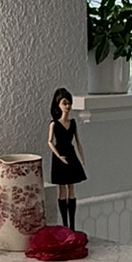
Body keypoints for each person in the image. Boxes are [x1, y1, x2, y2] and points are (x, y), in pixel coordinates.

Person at [47, 88, 86, 231]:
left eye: (69, 103)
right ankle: (65, 225)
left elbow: (78, 142)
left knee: (71, 188)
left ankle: (72, 226)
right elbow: (50, 141)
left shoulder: (73, 123)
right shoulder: (54, 124)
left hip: (71, 154)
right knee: (62, 189)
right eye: (64, 103)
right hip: (60, 156)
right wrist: (58, 156)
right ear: (58, 105)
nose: (67, 106)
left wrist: (82, 158)